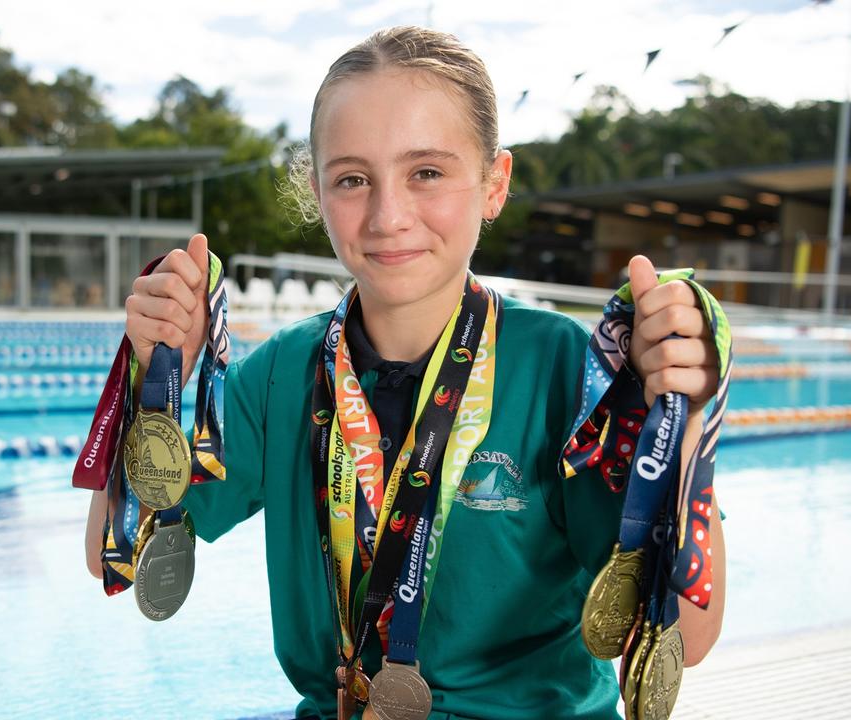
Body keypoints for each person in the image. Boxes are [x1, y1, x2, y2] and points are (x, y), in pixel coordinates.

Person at [88, 26, 726, 720]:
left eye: (426, 172)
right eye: (354, 179)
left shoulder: (566, 373)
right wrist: (155, 389)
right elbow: (110, 555)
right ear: (318, 192)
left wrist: (684, 422)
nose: (389, 216)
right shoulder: (282, 374)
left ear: (493, 183)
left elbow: (684, 639)